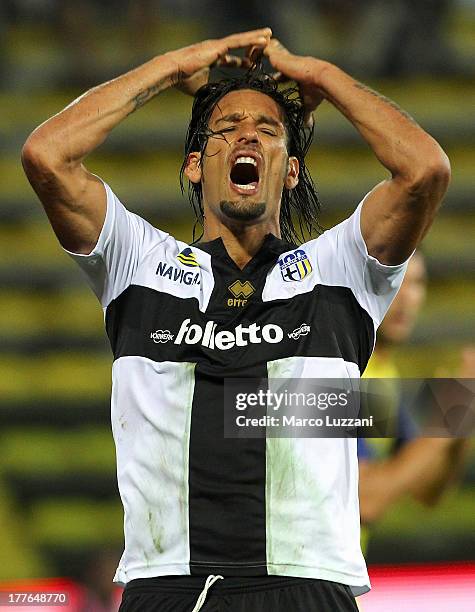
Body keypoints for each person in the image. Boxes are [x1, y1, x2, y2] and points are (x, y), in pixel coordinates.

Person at [21, 28, 451, 612]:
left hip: (307, 584)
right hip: (168, 585)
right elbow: (46, 155)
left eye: (268, 131)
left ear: (292, 170)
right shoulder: (141, 264)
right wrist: (171, 66)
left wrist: (321, 75)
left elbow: (425, 170)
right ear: (196, 166)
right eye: (226, 129)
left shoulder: (340, 279)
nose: (246, 134)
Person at [358, 252, 472, 527]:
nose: (406, 297)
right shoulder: (342, 370)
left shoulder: (384, 374)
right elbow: (364, 501)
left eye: (417, 283)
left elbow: (425, 489)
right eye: (394, 281)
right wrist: (447, 423)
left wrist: (461, 421)